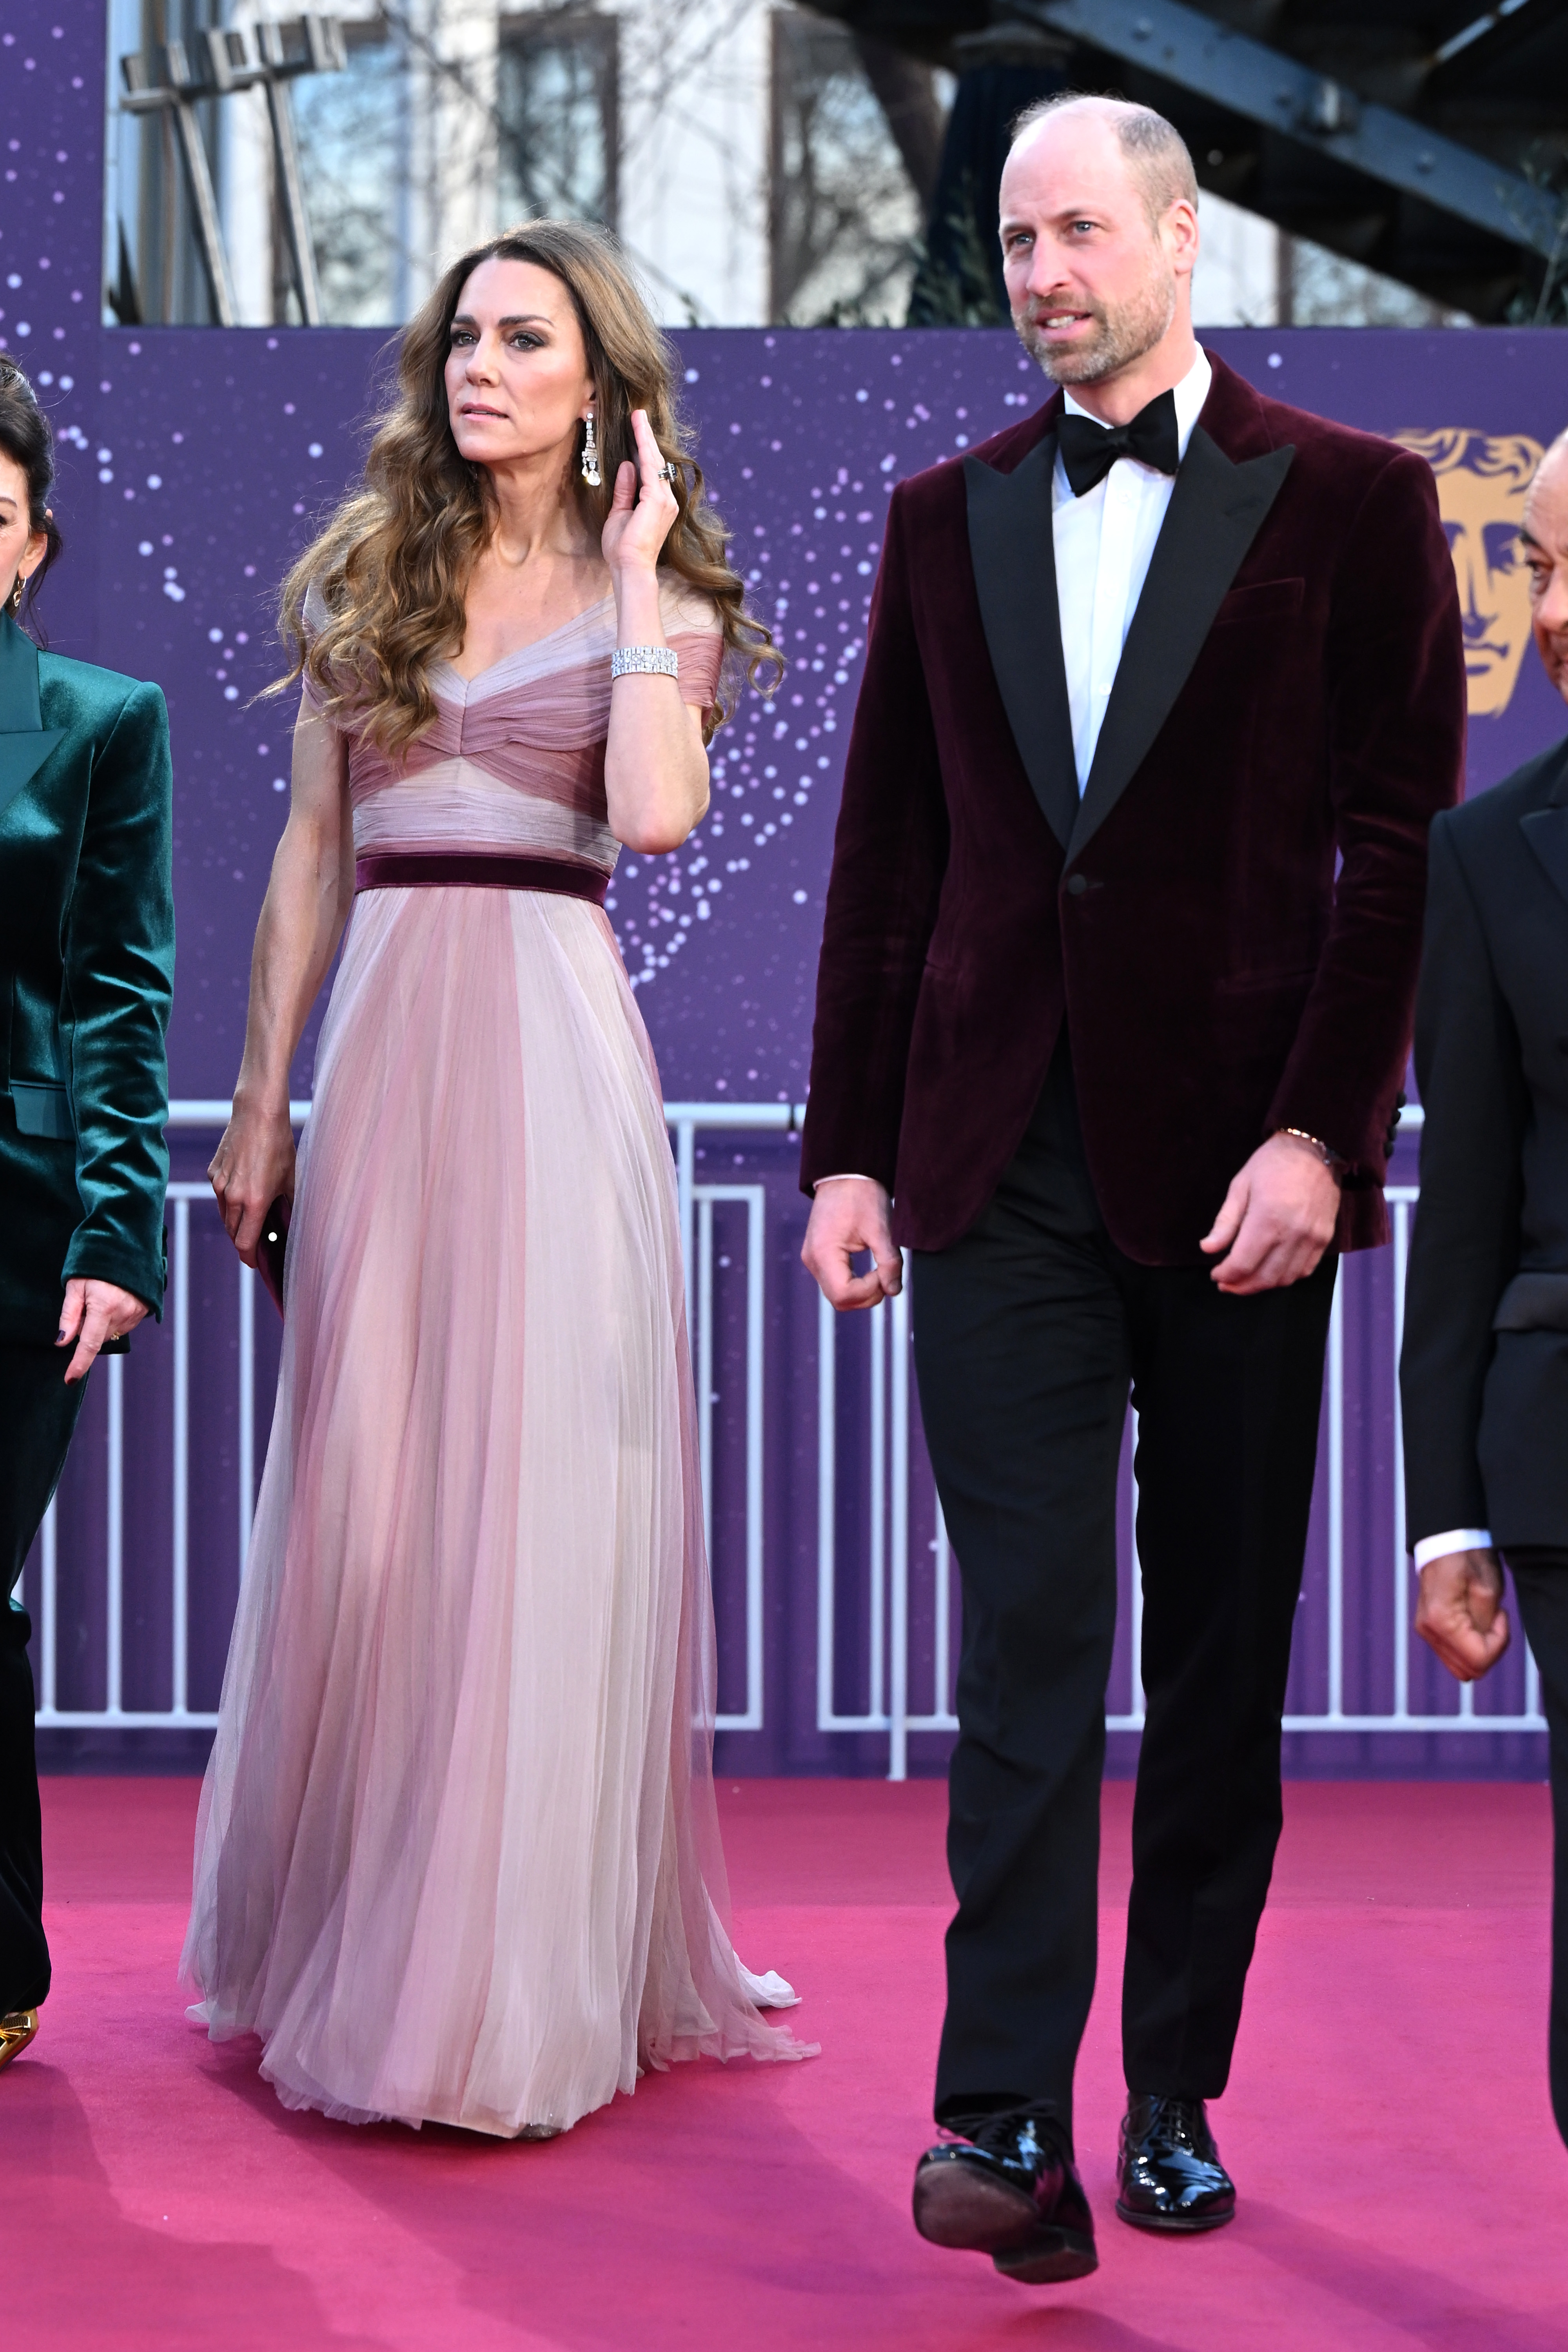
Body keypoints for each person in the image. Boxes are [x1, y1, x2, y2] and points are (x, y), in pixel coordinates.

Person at [799, 94, 1463, 2281]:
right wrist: (851, 1149)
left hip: (1245, 1176)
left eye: (1082, 230)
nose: (1044, 272)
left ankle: (1171, 2083)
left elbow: (1399, 856)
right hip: (997, 1165)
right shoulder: (938, 520)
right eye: (1014, 238)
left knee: (1215, 1662)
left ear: (1186, 243)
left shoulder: (1356, 507)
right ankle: (1000, 2113)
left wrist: (1324, 1137)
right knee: (1028, 1635)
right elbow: (888, 862)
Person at [183, 221, 808, 2138]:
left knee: (531, 1512)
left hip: (549, 1049)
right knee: (375, 1503)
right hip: (382, 1042)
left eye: (523, 339)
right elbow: (307, 857)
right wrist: (264, 1095)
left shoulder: (670, 601)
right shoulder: (368, 577)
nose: (479, 368)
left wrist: (628, 578)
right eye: (463, 337)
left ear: (596, 383)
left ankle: (508, 1977)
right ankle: (348, 1931)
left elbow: (649, 814)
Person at [0, 357, 173, 2074]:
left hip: (24, 1222)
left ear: (31, 542)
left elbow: (122, 991)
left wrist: (120, 1234)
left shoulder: (102, 721)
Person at [1401, 426, 1568, 2143]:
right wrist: (1441, 1515)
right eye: (1534, 562)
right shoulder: (1485, 852)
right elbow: (1461, 1208)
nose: (1551, 606)